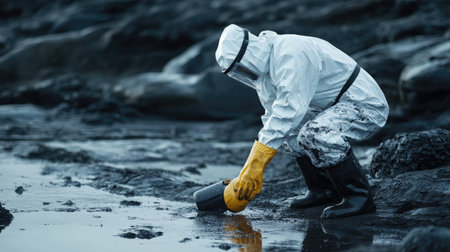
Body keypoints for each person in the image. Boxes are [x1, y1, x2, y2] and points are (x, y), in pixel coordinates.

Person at [215, 24, 389, 219]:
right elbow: (274, 117)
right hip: (331, 107)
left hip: (364, 103)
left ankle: (360, 199)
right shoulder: (265, 76)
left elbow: (289, 109)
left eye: (240, 67)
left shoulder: (291, 53)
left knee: (315, 134)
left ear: (249, 53)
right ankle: (322, 191)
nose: (242, 73)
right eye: (235, 71)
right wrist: (250, 168)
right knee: (291, 133)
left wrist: (256, 164)